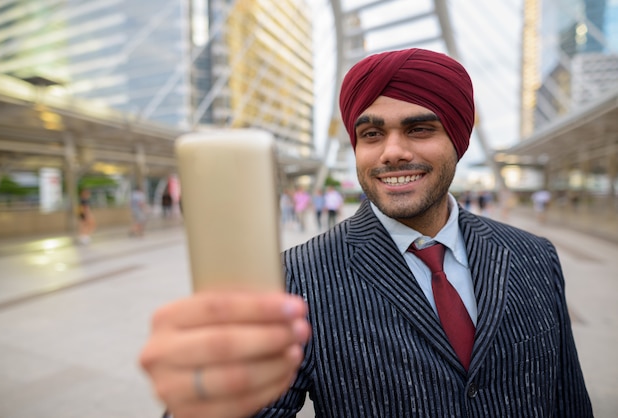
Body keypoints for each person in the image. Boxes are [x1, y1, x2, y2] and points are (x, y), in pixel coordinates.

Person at [139, 48, 592, 417]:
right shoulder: (299, 276)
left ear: (459, 138)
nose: (392, 152)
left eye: (419, 128)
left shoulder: (534, 256)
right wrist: (205, 402)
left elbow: (568, 400)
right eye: (371, 134)